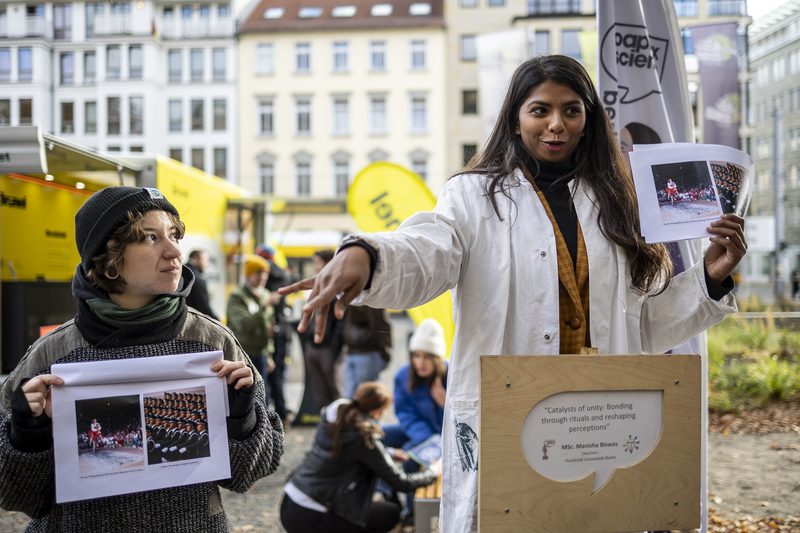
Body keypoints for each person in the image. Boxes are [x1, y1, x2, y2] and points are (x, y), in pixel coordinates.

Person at [280, 55, 746, 532]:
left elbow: (642, 327)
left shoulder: (615, 203)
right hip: (514, 420)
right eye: (539, 110)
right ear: (516, 118)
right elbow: (427, 250)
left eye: (571, 110)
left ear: (588, 120)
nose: (556, 125)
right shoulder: (473, 197)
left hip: (600, 421)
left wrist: (709, 277)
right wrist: (368, 254)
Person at [0, 186, 284, 531]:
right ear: (109, 259)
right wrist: (27, 433)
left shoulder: (211, 341)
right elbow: (16, 494)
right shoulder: (55, 354)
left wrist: (243, 418)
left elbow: (249, 474)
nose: (174, 251)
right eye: (150, 238)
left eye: (174, 235)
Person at [279, 381, 439, 533]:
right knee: (390, 513)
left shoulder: (336, 418)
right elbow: (402, 482)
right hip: (312, 515)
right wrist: (432, 472)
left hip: (289, 503)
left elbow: (349, 451)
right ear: (377, 411)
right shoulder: (363, 437)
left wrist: (388, 452)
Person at [382, 318, 448, 524]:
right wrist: (424, 438)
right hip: (418, 431)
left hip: (446, 435)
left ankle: (412, 513)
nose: (420, 362)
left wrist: (446, 402)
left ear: (437, 358)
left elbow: (465, 418)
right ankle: (386, 495)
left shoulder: (451, 374)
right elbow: (405, 414)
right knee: (377, 436)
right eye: (416, 355)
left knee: (410, 457)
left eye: (428, 356)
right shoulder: (404, 375)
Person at [226, 255, 279, 386]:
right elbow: (244, 325)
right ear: (249, 275)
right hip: (243, 355)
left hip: (261, 354)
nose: (263, 277)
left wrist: (269, 355)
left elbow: (269, 328)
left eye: (265, 273)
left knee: (262, 394)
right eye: (258, 273)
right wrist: (264, 307)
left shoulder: (265, 294)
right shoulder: (237, 296)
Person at [302, 249, 344, 410]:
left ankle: (338, 425)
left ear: (327, 264)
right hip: (314, 346)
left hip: (328, 348)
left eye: (317, 262)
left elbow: (341, 320)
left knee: (334, 390)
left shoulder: (337, 286)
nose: (315, 267)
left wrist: (334, 346)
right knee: (319, 392)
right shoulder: (320, 284)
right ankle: (326, 425)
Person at [256, 244, 292, 425]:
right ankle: (281, 414)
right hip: (281, 330)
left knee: (272, 373)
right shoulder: (283, 275)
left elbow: (270, 303)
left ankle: (278, 414)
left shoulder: (271, 277)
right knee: (277, 373)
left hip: (273, 330)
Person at [341, 305, 392, 399]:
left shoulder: (371, 302)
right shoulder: (350, 300)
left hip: (366, 351)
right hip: (354, 351)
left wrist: (385, 354)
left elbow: (380, 326)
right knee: (352, 396)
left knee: (365, 396)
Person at [185, 249, 219, 320]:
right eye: (205, 260)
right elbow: (204, 308)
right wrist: (219, 322)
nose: (206, 264)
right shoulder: (197, 279)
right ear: (195, 259)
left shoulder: (182, 272)